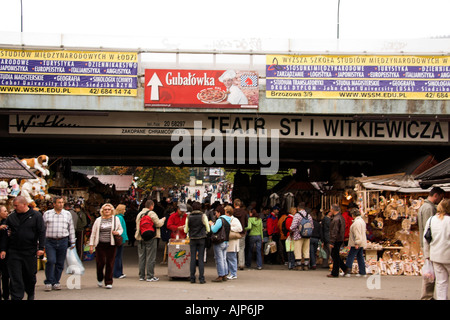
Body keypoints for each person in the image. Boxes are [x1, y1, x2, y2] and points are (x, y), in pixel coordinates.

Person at [0, 196, 45, 300]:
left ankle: (30, 292)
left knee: (29, 275)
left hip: (30, 251)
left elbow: (41, 231)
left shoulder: (36, 215)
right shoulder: (11, 217)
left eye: (16, 206)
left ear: (24, 204)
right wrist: (3, 249)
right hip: (14, 251)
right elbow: (6, 235)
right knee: (15, 276)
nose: (14, 208)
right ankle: (17, 297)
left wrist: (41, 247)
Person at [43, 196, 76, 291]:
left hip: (63, 240)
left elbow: (71, 228)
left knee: (60, 263)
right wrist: (40, 242)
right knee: (51, 261)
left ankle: (56, 281)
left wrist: (72, 241)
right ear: (54, 204)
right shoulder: (47, 214)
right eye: (59, 202)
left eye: (62, 202)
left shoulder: (67, 214)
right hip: (50, 241)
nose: (61, 204)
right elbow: (43, 228)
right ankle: (48, 281)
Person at [418, 186, 445, 299]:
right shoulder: (429, 208)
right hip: (429, 245)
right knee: (431, 273)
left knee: (431, 272)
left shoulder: (424, 206)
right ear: (436, 195)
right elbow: (429, 230)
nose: (441, 201)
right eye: (441, 197)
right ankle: (427, 296)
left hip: (427, 245)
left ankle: (428, 296)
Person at [89, 203, 123, 289]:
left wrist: (117, 232)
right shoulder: (98, 220)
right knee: (100, 263)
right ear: (102, 211)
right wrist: (91, 245)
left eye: (109, 209)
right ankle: (100, 278)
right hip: (100, 244)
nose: (107, 211)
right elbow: (93, 232)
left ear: (112, 211)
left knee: (110, 263)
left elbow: (120, 229)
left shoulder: (115, 219)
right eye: (105, 209)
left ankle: (108, 281)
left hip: (111, 244)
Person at [423, 198, 450, 300]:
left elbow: (426, 239)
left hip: (436, 256)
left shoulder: (431, 220)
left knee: (441, 283)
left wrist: (427, 256)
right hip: (448, 255)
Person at [135, 200, 166, 282]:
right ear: (152, 206)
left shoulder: (139, 214)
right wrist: (162, 220)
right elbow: (158, 224)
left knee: (142, 257)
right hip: (151, 237)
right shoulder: (152, 213)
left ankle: (141, 276)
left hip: (140, 237)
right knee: (150, 257)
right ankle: (150, 276)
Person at [184, 202, 210, 283]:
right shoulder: (203, 216)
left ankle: (192, 278)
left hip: (192, 239)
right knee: (201, 259)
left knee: (192, 258)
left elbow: (185, 230)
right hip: (201, 238)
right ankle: (201, 278)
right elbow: (208, 229)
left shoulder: (188, 217)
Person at [209, 205, 231, 282]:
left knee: (219, 259)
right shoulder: (228, 219)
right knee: (224, 259)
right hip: (226, 241)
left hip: (219, 241)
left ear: (219, 212)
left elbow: (214, 230)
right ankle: (225, 274)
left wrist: (211, 225)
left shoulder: (220, 220)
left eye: (216, 213)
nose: (215, 215)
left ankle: (220, 275)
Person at [290, 202, 313, 270]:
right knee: (306, 250)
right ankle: (306, 266)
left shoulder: (297, 215)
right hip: (307, 236)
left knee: (298, 250)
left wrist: (291, 231)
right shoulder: (308, 215)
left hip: (298, 235)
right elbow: (312, 226)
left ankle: (299, 266)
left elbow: (293, 226)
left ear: (298, 208)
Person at [344, 208, 367, 277]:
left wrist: (357, 242)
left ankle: (347, 271)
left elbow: (357, 233)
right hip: (361, 242)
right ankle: (362, 272)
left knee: (350, 256)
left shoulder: (356, 223)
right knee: (360, 257)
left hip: (356, 243)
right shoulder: (361, 221)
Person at [327, 204, 348, 278]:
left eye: (331, 209)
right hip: (340, 238)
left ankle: (335, 272)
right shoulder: (341, 217)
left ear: (333, 210)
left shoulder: (336, 219)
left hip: (336, 239)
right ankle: (344, 268)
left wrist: (332, 241)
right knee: (335, 255)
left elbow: (334, 231)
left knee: (334, 255)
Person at [226, 205, 243, 280]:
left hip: (233, 242)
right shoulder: (227, 219)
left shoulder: (234, 220)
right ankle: (230, 273)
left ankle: (233, 273)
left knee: (232, 258)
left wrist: (230, 228)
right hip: (228, 241)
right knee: (229, 258)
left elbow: (240, 228)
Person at [113, 204, 128, 279]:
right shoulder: (119, 218)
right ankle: (117, 273)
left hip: (120, 238)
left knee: (117, 255)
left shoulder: (117, 217)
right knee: (118, 256)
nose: (125, 211)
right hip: (120, 238)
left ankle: (117, 272)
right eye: (124, 209)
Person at [232, 199, 248, 270]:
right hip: (242, 232)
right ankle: (241, 264)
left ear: (234, 204)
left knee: (233, 248)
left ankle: (233, 264)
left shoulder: (232, 212)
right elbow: (246, 223)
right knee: (241, 248)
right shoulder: (244, 212)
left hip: (234, 232)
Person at [0, 205, 10, 300]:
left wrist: (3, 250)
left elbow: (5, 239)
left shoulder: (7, 223)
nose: (7, 213)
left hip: (5, 252)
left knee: (5, 274)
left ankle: (6, 294)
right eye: (4, 211)